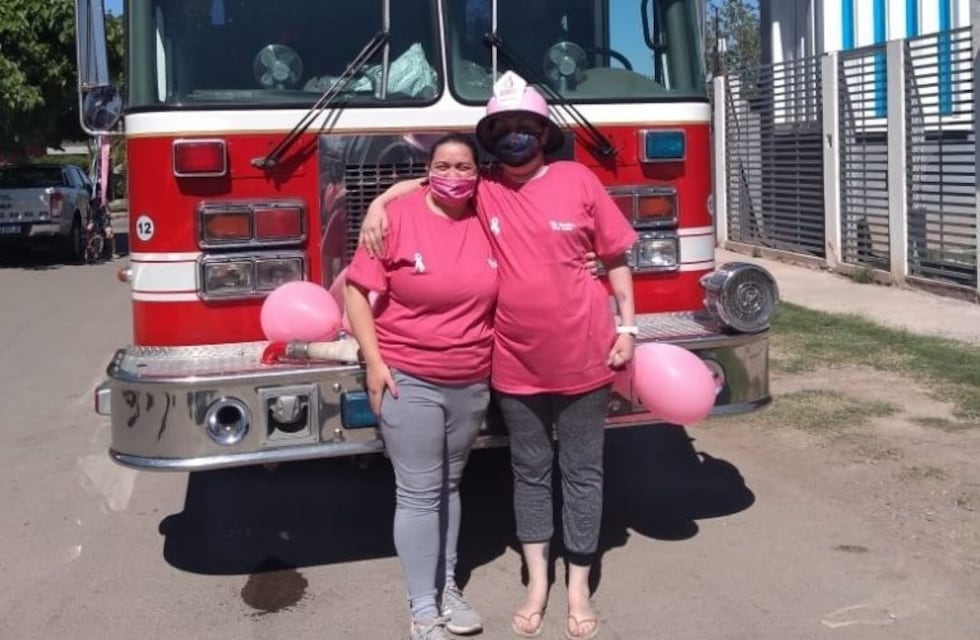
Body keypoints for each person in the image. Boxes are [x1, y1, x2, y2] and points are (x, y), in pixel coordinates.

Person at [359, 71, 638, 640]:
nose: (516, 136)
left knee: (583, 473)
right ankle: (536, 583)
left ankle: (578, 588)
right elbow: (436, 181)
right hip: (512, 365)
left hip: (587, 358)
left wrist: (628, 328)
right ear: (493, 138)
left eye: (525, 126)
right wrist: (378, 204)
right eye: (505, 128)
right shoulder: (482, 187)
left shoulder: (578, 180)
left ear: (543, 131)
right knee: (528, 474)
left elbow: (614, 257)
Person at [344, 133, 497, 640]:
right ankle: (423, 607)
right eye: (443, 166)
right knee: (417, 493)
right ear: (427, 170)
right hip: (408, 375)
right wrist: (374, 362)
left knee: (449, 487)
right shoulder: (400, 217)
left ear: (479, 173)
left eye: (464, 167)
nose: (453, 176)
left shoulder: (491, 215)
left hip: (472, 378)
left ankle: (449, 589)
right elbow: (357, 294)